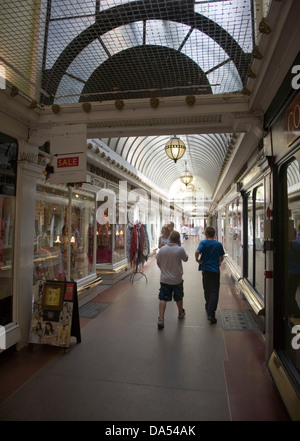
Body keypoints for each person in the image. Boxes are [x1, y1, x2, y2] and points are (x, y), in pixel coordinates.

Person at [156, 230, 189, 329]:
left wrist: (162, 269)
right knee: (179, 297)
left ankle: (161, 318)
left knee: (163, 298)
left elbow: (158, 261)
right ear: (178, 240)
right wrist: (179, 246)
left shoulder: (162, 249)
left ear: (169, 238)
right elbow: (186, 259)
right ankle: (180, 313)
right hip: (177, 279)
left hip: (164, 279)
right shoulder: (180, 249)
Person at [195, 226, 225, 324]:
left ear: (206, 234)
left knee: (207, 289)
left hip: (205, 270)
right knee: (214, 291)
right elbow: (222, 256)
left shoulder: (203, 243)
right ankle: (211, 313)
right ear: (214, 234)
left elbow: (197, 252)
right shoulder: (218, 244)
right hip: (215, 271)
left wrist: (197, 260)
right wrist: (219, 262)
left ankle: (208, 305)